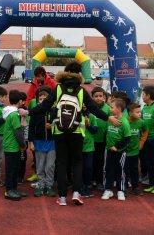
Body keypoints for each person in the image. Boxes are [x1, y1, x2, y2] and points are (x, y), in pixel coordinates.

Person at [28, 61, 120, 207]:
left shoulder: (58, 89)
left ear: (65, 72)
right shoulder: (81, 90)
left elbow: (44, 106)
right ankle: (77, 193)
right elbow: (94, 109)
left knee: (62, 162)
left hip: (59, 130)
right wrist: (108, 117)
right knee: (77, 162)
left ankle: (62, 197)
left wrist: (28, 112)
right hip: (77, 130)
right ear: (79, 74)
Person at [101, 97, 131, 201]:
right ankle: (108, 189)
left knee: (120, 170)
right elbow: (106, 132)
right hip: (108, 150)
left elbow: (127, 138)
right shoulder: (110, 119)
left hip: (120, 151)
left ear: (119, 109)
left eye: (112, 107)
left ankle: (121, 190)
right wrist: (108, 145)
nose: (109, 109)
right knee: (107, 169)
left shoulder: (124, 122)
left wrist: (117, 146)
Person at [28, 86, 56, 198]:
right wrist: (31, 142)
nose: (43, 101)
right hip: (39, 142)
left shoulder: (55, 111)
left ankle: (49, 186)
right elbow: (31, 128)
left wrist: (52, 126)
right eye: (41, 99)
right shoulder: (35, 112)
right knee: (40, 166)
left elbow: (60, 125)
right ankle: (40, 185)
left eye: (46, 99)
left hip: (52, 142)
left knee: (50, 166)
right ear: (37, 100)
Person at [2, 90, 28, 201]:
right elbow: (17, 131)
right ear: (20, 101)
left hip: (13, 146)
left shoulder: (13, 113)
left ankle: (14, 188)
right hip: (11, 146)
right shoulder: (13, 115)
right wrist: (23, 144)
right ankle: (9, 190)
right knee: (11, 169)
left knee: (15, 168)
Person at [126, 103, 148, 196]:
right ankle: (124, 187)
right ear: (130, 113)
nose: (140, 114)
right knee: (125, 169)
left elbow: (146, 131)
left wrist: (142, 142)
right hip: (124, 150)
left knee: (134, 169)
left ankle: (135, 187)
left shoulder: (141, 122)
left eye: (140, 112)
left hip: (135, 150)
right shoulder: (124, 120)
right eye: (137, 112)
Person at [90, 87, 110, 191]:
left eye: (100, 96)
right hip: (91, 140)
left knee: (100, 161)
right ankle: (91, 180)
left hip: (103, 140)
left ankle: (99, 181)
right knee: (91, 161)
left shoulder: (108, 108)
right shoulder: (89, 108)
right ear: (92, 97)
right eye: (96, 96)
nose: (98, 98)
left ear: (104, 97)